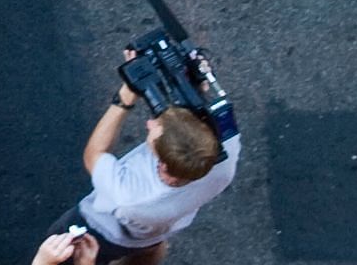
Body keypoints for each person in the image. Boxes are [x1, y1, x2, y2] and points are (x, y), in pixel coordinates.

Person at [75, 89, 239, 260]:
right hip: (155, 232)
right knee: (147, 249)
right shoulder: (226, 164)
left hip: (102, 232)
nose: (150, 123)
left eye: (154, 128)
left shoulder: (129, 197)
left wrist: (125, 99)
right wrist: (194, 85)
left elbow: (93, 155)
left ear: (162, 164)